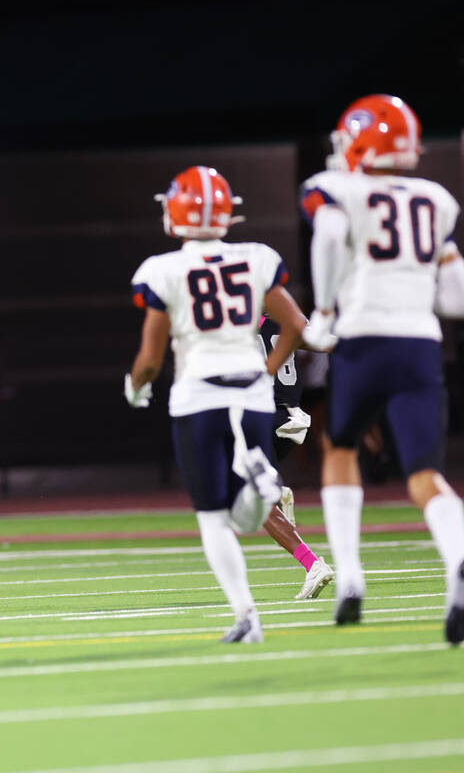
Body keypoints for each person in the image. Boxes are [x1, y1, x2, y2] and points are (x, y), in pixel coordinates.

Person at [300, 94, 464, 643]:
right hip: (420, 343)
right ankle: (460, 561)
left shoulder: (338, 189)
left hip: (363, 336)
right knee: (425, 473)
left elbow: (330, 235)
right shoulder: (436, 199)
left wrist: (326, 308)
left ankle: (350, 578)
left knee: (342, 447)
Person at [126, 166, 305, 643]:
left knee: (211, 517)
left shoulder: (161, 270)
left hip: (199, 395)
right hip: (251, 393)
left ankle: (247, 615)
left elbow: (150, 357)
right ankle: (260, 480)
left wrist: (135, 386)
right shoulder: (256, 257)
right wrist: (265, 376)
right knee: (242, 514)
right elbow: (295, 326)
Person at [257, 314, 335, 600]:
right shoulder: (285, 319)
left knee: (254, 498)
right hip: (292, 419)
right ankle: (276, 490)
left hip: (259, 417)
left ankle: (312, 564)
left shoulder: (236, 320)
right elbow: (324, 343)